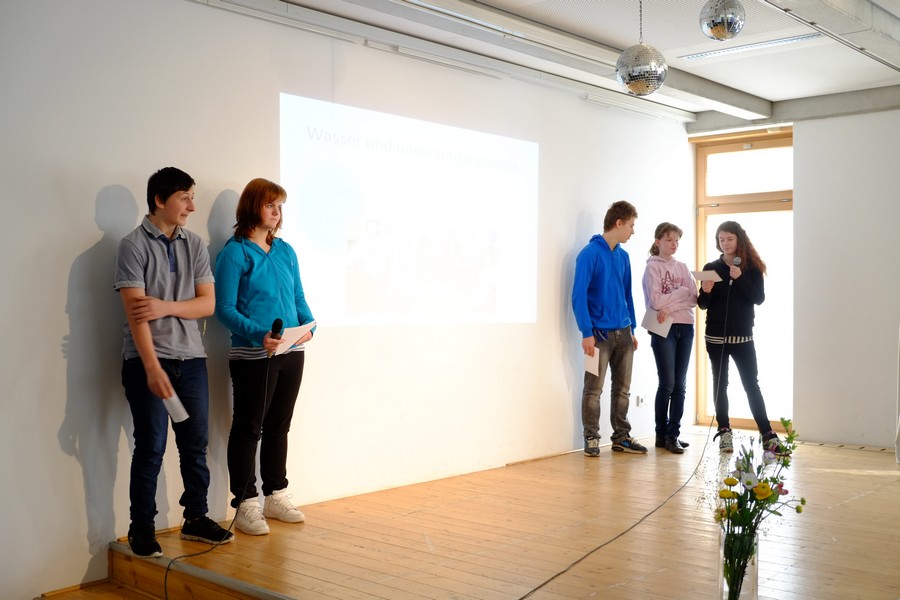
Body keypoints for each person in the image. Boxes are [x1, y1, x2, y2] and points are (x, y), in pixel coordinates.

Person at [115, 167, 234, 558]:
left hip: (192, 360)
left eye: (192, 197)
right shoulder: (132, 246)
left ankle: (195, 518)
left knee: (194, 445)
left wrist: (164, 306)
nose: (192, 207)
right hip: (147, 362)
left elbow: (208, 304)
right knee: (150, 448)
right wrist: (152, 368)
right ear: (159, 200)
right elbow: (137, 314)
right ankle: (141, 529)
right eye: (185, 198)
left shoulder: (193, 244)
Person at [215, 178, 315, 536]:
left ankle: (276, 494)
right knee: (248, 428)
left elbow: (298, 297)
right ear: (252, 207)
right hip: (253, 355)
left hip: (292, 350)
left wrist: (309, 326)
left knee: (279, 426)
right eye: (270, 205)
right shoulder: (235, 253)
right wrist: (259, 334)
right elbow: (223, 308)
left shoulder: (286, 251)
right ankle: (245, 504)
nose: (277, 212)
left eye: (280, 206)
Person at [697, 221, 785, 454]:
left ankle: (768, 434)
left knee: (751, 384)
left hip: (743, 338)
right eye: (721, 239)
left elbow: (759, 298)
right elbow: (703, 304)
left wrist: (740, 277)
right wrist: (705, 291)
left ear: (739, 239)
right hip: (715, 337)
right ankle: (724, 431)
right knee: (720, 384)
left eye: (729, 239)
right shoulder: (711, 267)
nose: (725, 243)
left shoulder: (752, 267)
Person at [572, 200, 647, 456]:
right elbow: (578, 296)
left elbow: (628, 295)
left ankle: (621, 437)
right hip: (598, 336)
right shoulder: (589, 254)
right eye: (631, 225)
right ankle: (591, 438)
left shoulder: (624, 257)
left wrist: (632, 329)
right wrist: (586, 333)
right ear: (618, 223)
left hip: (623, 333)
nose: (633, 231)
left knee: (623, 390)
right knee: (593, 390)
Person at [641, 222, 697, 455]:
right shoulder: (652, 268)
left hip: (686, 327)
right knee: (667, 384)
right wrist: (680, 293)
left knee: (680, 386)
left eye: (677, 240)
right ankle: (661, 434)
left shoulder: (682, 267)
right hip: (662, 328)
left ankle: (673, 435)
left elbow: (693, 298)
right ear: (658, 242)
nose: (674, 244)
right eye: (669, 240)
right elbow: (656, 302)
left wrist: (672, 304)